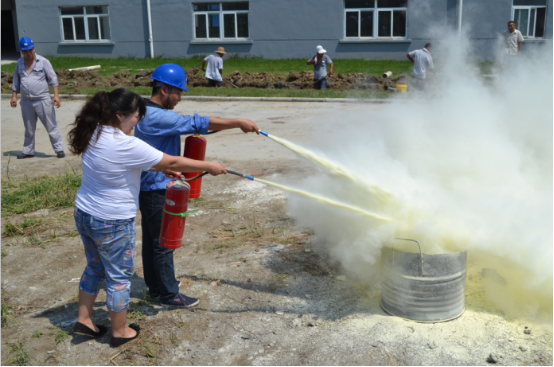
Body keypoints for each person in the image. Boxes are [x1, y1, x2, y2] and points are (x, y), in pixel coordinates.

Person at [68, 88, 227, 348]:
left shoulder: (95, 131)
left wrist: (163, 168)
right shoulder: (125, 143)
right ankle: (119, 331)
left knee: (95, 267)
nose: (138, 122)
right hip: (113, 221)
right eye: (135, 118)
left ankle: (84, 320)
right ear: (120, 115)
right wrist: (209, 166)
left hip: (85, 213)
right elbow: (173, 162)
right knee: (119, 277)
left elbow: (147, 162)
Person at [134, 64, 259, 309]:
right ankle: (170, 295)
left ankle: (157, 289)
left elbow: (192, 125)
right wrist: (238, 122)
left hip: (149, 187)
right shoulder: (157, 116)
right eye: (178, 92)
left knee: (152, 241)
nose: (180, 98)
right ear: (165, 89)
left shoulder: (145, 112)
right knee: (163, 243)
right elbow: (198, 122)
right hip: (157, 188)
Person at [10, 36, 65, 159]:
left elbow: (53, 79)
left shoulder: (43, 62)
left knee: (51, 125)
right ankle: (28, 151)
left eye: (31, 50)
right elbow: (16, 81)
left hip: (43, 99)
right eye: (26, 51)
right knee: (29, 128)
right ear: (22, 52)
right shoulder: (19, 63)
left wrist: (56, 96)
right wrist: (14, 97)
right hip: (26, 101)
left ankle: (59, 149)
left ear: (34, 48)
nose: (29, 53)